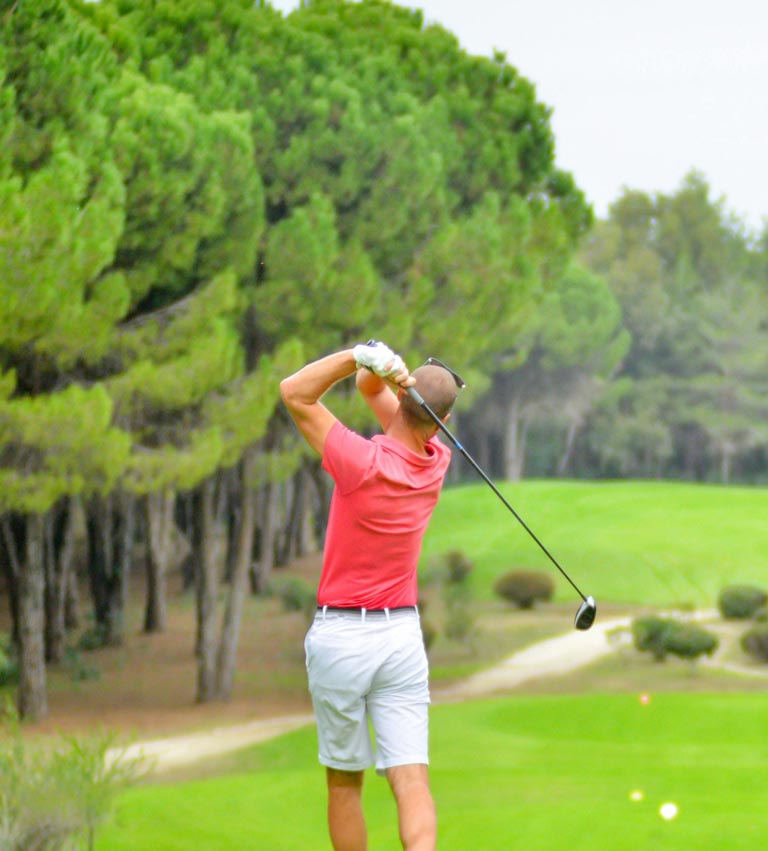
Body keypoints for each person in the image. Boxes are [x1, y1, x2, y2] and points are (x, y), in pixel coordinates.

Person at [279, 341, 462, 851]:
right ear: (443, 419)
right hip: (401, 638)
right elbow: (380, 399)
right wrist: (378, 376)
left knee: (344, 781)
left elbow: (294, 393)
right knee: (411, 779)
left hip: (342, 637)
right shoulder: (436, 463)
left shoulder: (358, 460)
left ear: (403, 396)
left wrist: (357, 356)